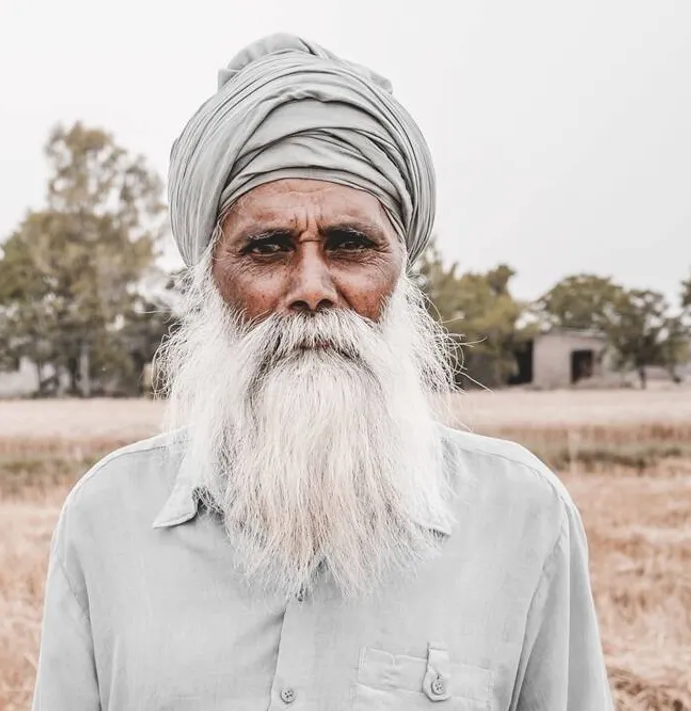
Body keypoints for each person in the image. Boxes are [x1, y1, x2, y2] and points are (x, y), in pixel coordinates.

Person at [31, 33, 612, 710]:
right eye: (268, 248)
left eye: (349, 245)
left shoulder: (524, 520)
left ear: (400, 270)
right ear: (211, 280)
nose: (312, 286)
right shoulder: (106, 523)